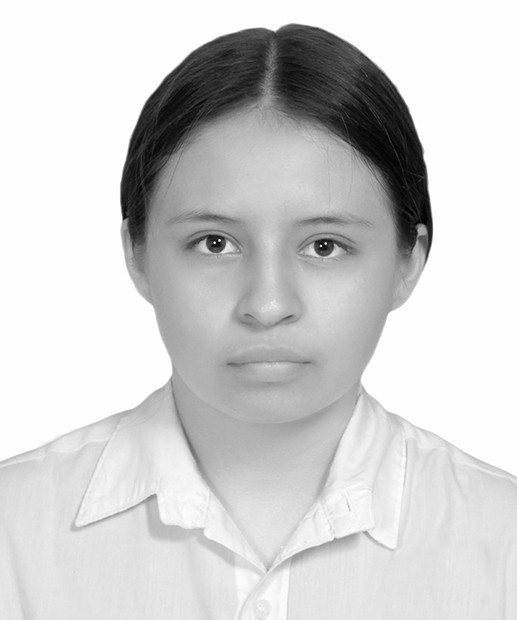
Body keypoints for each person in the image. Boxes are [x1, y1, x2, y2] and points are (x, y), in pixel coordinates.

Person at [0, 23, 516, 619]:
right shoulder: (14, 534)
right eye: (214, 243)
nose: (267, 305)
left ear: (409, 261)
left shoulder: (501, 542)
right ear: (138, 255)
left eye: (324, 246)